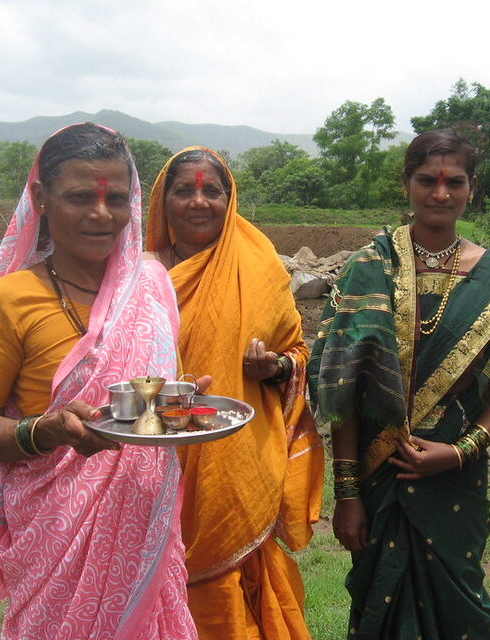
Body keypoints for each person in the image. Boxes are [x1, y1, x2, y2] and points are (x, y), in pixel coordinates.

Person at [0, 123, 198, 640]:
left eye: (116, 198)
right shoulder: (10, 300)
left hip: (143, 526)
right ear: (41, 198)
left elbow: (144, 407)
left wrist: (178, 403)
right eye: (79, 198)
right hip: (54, 539)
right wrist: (46, 432)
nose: (101, 214)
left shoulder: (152, 286)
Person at [308, 130, 490, 640]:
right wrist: (347, 495)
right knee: (377, 605)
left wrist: (461, 452)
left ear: (471, 188)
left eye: (453, 181)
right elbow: (344, 394)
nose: (441, 193)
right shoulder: (368, 269)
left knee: (459, 602)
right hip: (377, 474)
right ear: (407, 184)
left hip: (455, 476)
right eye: (427, 180)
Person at [145, 147, 324, 639]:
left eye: (212, 190)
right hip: (152, 453)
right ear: (163, 200)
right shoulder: (139, 273)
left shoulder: (258, 263)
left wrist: (276, 366)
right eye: (184, 190)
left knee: (234, 568)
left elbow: (298, 351)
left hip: (236, 451)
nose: (198, 201)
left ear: (230, 198)